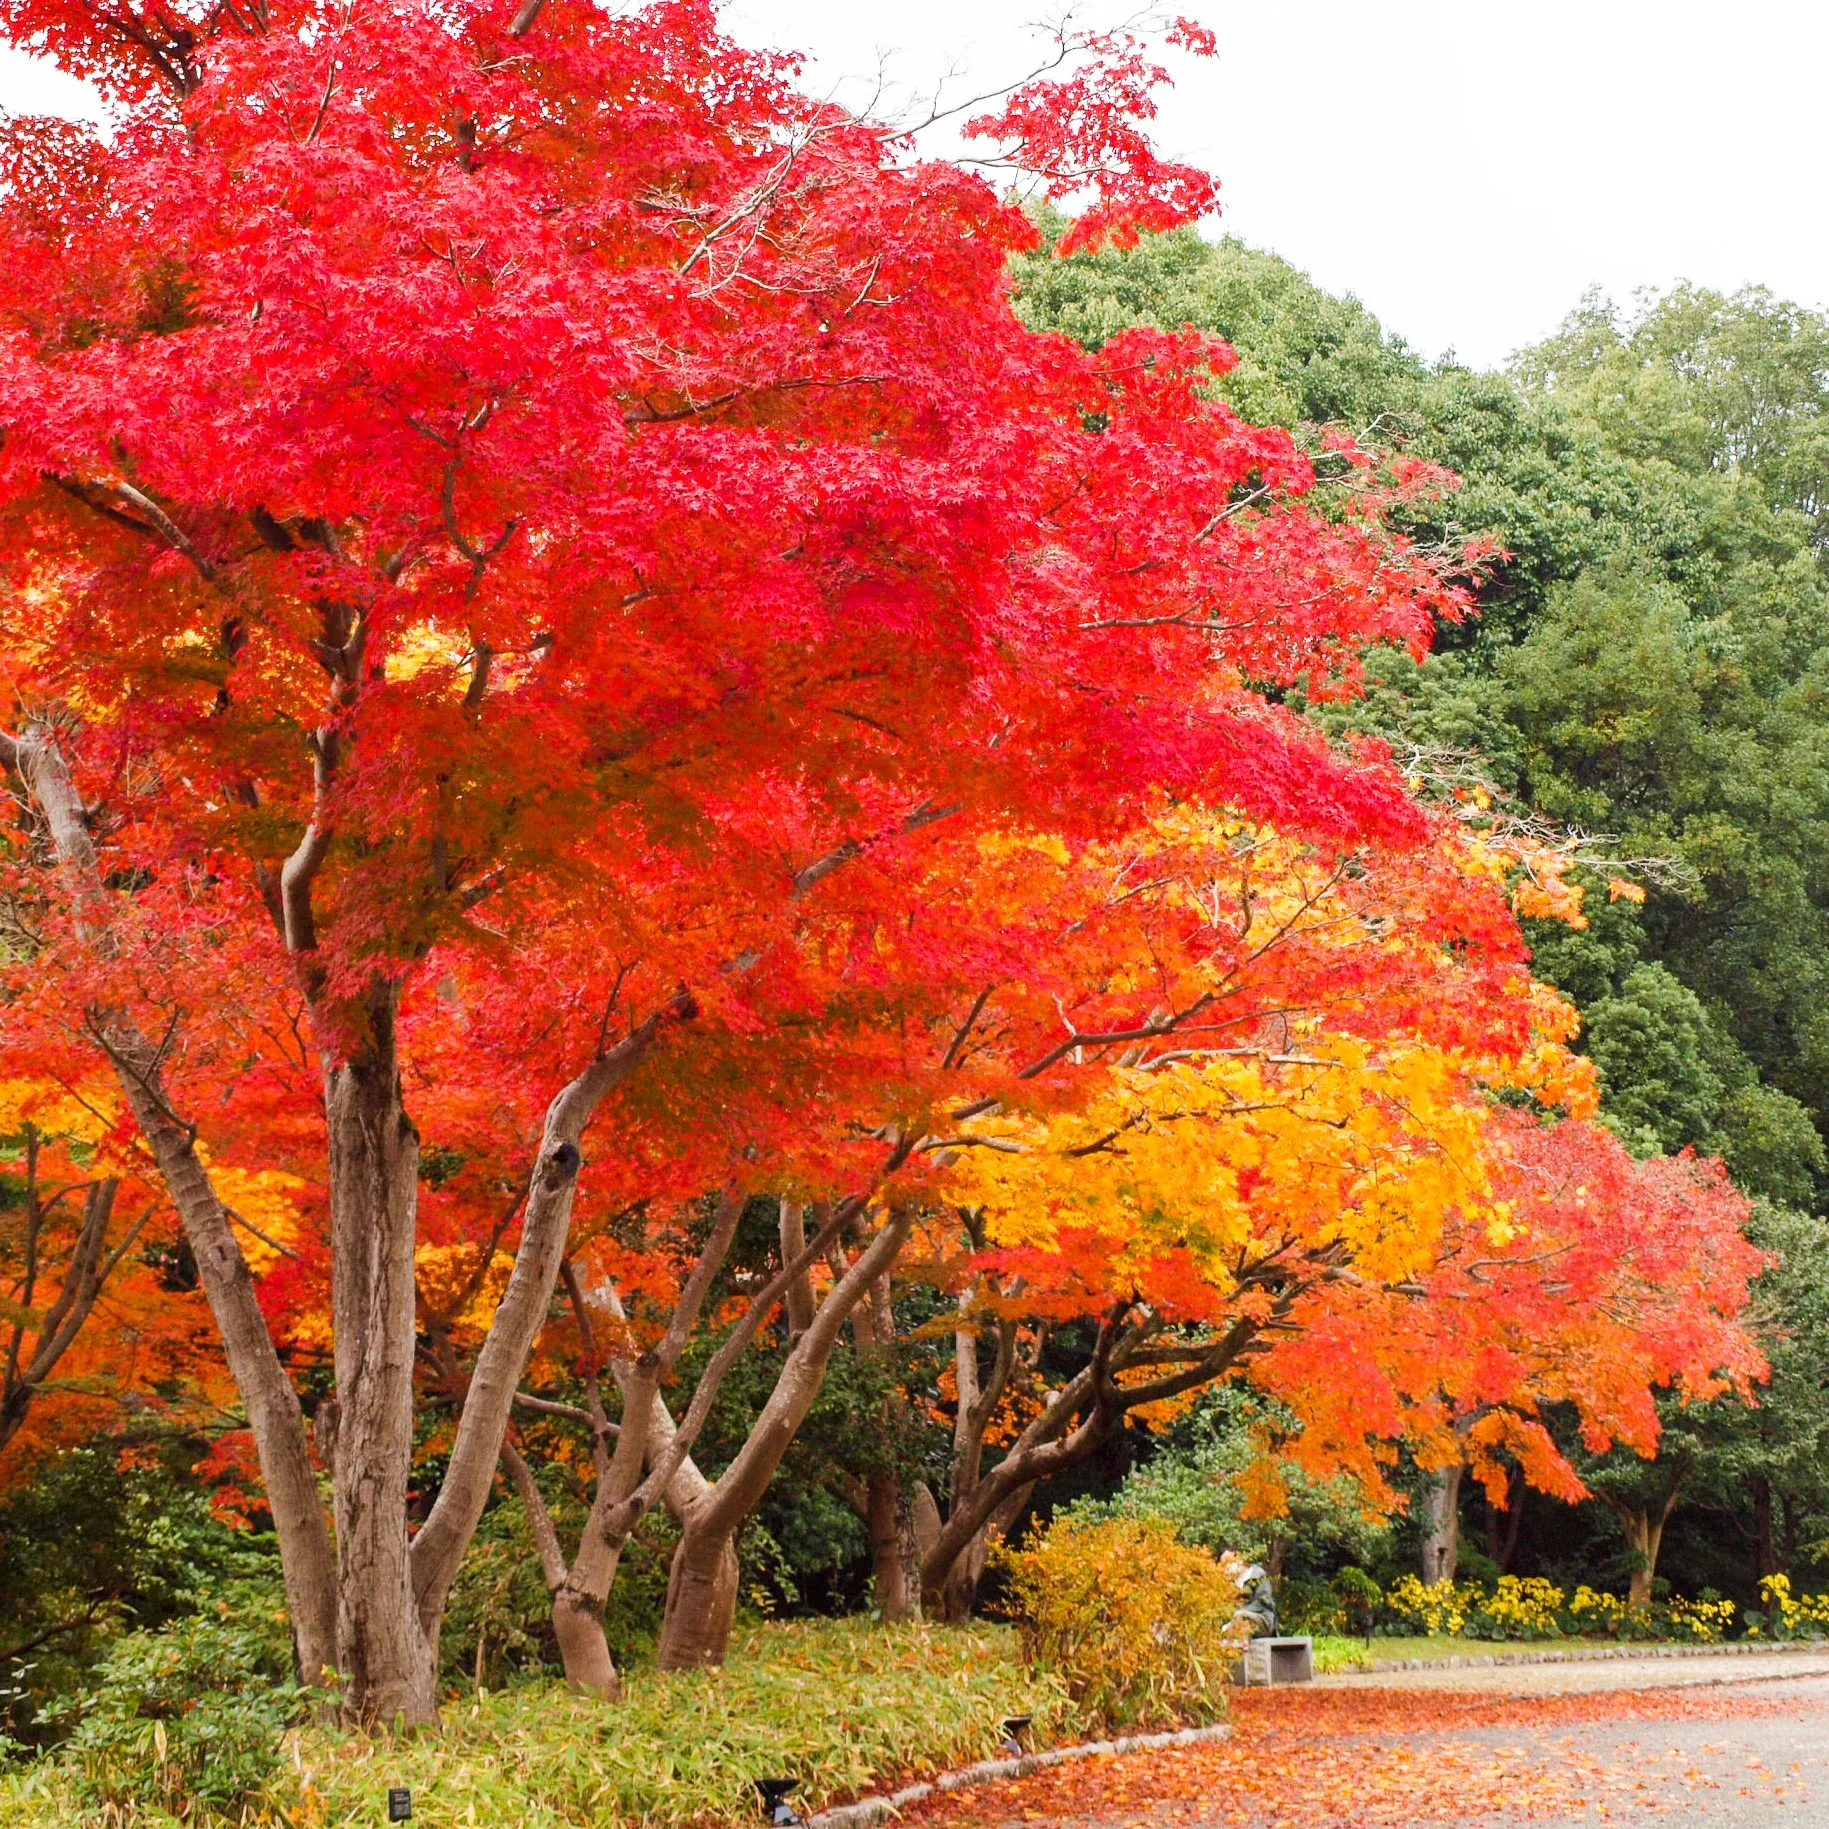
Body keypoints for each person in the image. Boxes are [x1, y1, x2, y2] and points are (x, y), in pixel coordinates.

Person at [1236, 1562, 1278, 1638]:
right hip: (1238, 1620)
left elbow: (1263, 1601)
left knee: (1240, 1615)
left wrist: (1240, 1612)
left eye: (1228, 1562)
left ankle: (1243, 1646)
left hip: (1263, 1619)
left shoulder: (1258, 1575)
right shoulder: (1232, 1582)